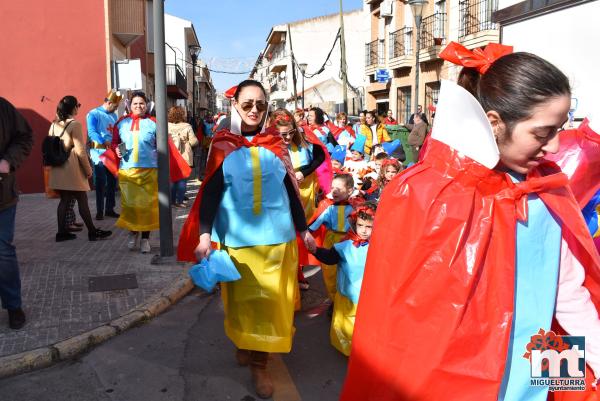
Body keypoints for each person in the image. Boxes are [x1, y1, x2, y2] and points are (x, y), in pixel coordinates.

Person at [341, 42, 600, 401]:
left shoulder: (546, 190)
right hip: (450, 382)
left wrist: (595, 363)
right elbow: (399, 320)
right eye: (542, 133)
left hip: (535, 367)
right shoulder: (423, 193)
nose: (555, 147)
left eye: (560, 129)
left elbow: (567, 294)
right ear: (494, 123)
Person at [177, 80, 315, 399]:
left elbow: (292, 193)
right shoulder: (222, 144)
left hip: (276, 241)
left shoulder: (276, 146)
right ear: (236, 106)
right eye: (248, 104)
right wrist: (204, 234)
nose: (255, 110)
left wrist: (304, 229)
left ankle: (260, 363)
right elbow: (210, 193)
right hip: (236, 242)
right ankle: (243, 341)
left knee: (269, 306)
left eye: (261, 105)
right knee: (241, 306)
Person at [307, 203, 375, 356]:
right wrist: (315, 250)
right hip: (347, 296)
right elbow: (330, 258)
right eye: (360, 225)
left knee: (364, 327)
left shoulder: (379, 246)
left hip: (369, 297)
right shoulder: (345, 246)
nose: (364, 230)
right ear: (354, 224)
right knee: (346, 324)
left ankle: (362, 351)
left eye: (369, 227)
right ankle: (349, 351)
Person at [48, 96, 112, 243]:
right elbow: (80, 150)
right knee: (82, 199)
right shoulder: (74, 124)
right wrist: (88, 169)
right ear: (73, 108)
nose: (79, 107)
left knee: (64, 201)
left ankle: (61, 233)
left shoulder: (53, 124)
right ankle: (92, 232)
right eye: (78, 105)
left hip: (58, 166)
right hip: (72, 167)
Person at [0, 97, 33, 330]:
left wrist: (7, 161)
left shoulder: (2, 107)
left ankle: (14, 306)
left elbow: (25, 137)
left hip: (2, 195)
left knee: (2, 250)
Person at [112, 91, 158, 254]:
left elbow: (163, 147)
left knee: (147, 206)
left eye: (142, 103)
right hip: (127, 170)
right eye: (135, 103)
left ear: (147, 106)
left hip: (150, 170)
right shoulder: (121, 123)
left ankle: (145, 239)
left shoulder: (154, 123)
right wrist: (117, 149)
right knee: (130, 206)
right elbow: (116, 143)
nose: (138, 106)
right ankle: (133, 234)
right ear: (129, 106)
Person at [308, 173, 355, 301]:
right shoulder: (328, 207)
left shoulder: (355, 206)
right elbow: (315, 223)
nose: (334, 191)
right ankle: (334, 300)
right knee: (330, 272)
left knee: (347, 271)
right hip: (331, 241)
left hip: (349, 241)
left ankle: (345, 299)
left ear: (350, 190)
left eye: (338, 189)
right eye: (332, 188)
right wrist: (305, 233)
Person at [87, 89, 122, 220]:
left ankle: (109, 208)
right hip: (98, 153)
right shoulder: (93, 114)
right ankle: (99, 210)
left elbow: (116, 132)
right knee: (101, 182)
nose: (116, 108)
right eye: (115, 106)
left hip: (112, 151)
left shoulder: (113, 116)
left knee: (112, 182)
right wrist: (104, 141)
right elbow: (92, 132)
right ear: (108, 102)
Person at [168, 106, 198, 208]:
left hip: (171, 156)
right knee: (182, 180)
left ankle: (171, 201)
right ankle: (180, 201)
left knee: (172, 179)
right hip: (184, 156)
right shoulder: (187, 126)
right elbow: (194, 141)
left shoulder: (166, 125)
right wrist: (186, 143)